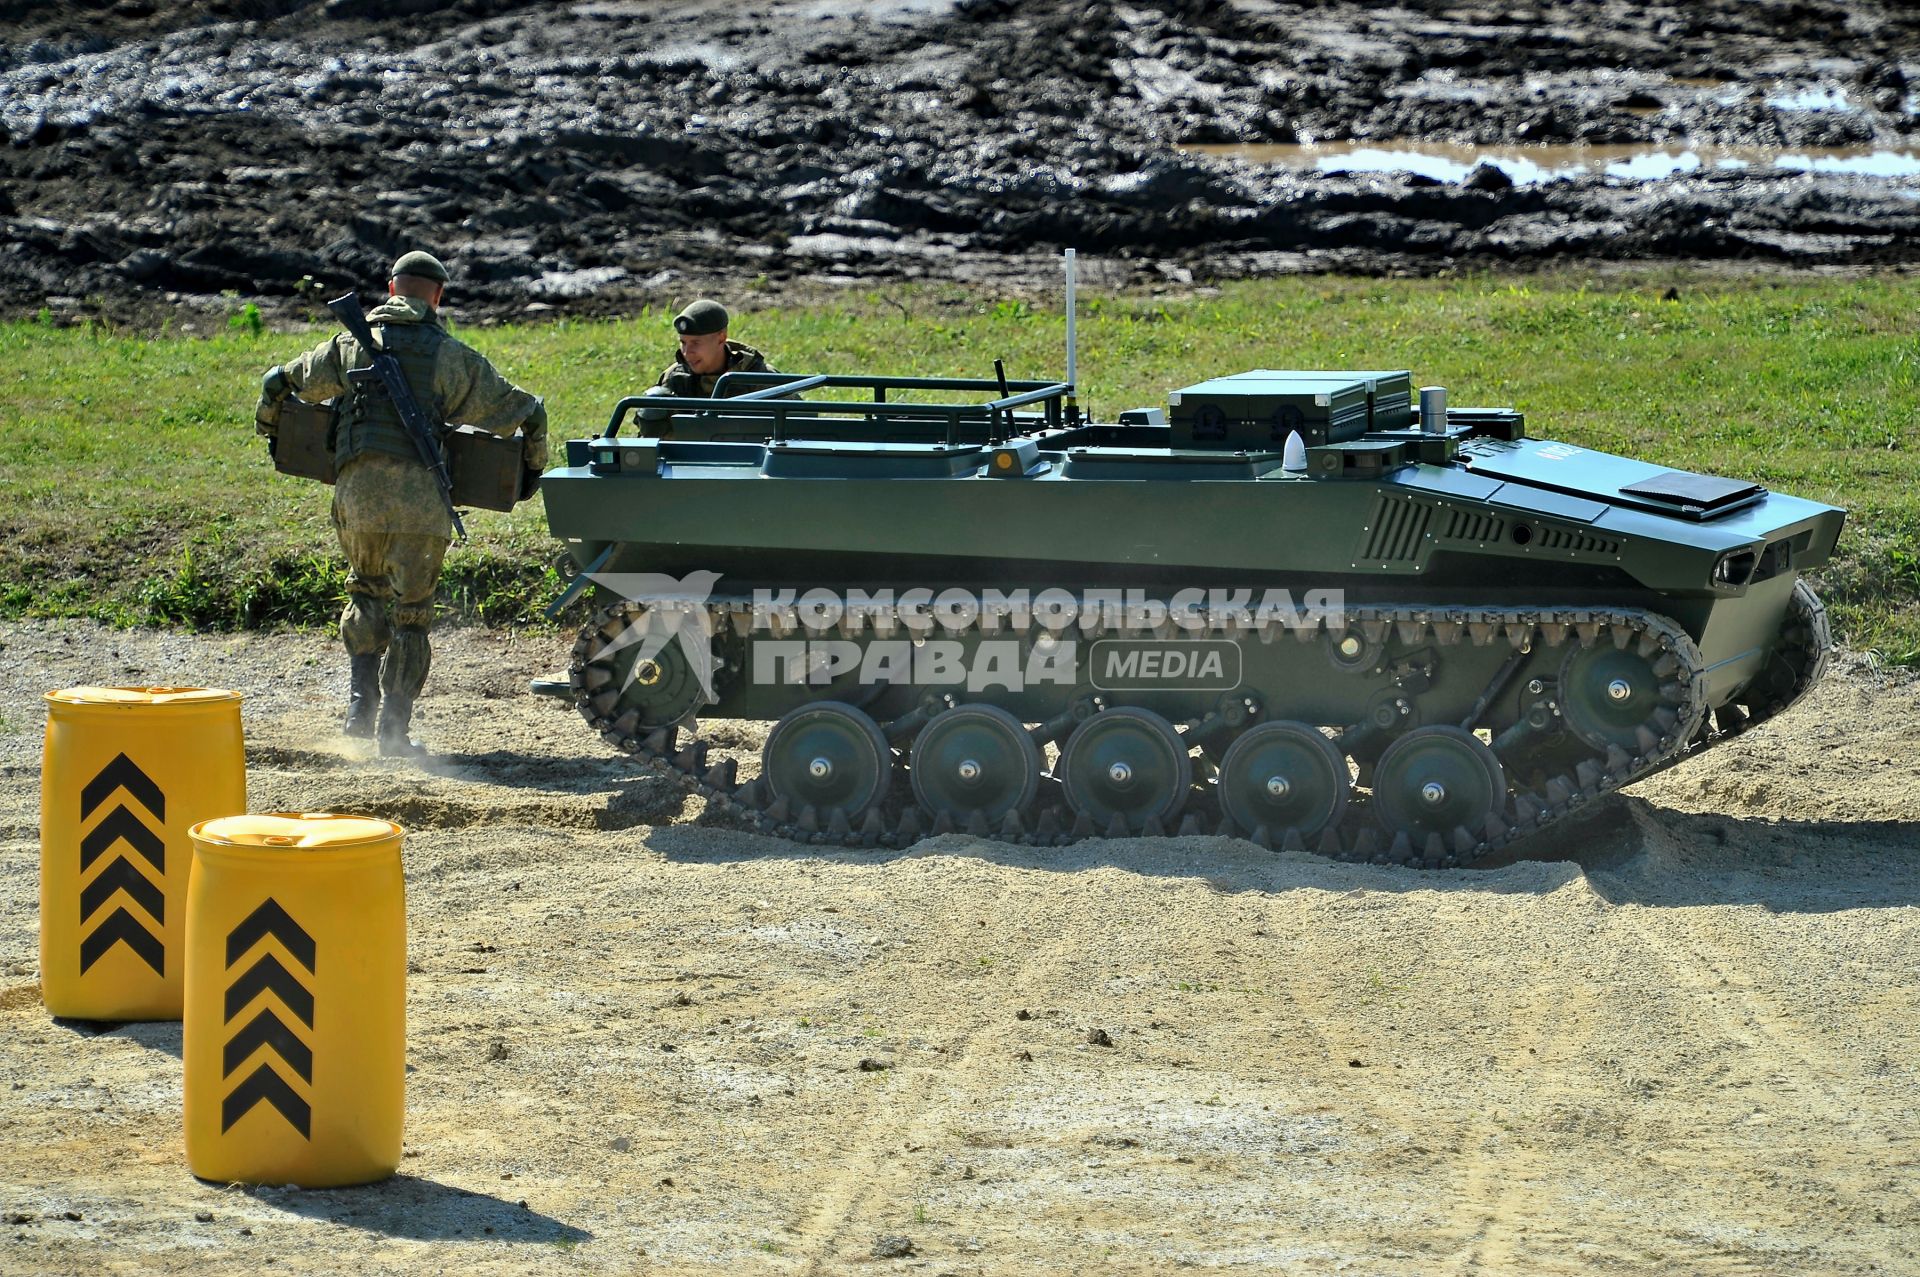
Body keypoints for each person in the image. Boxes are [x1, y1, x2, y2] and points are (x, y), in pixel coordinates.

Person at [253, 250, 547, 757]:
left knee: (365, 593)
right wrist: (531, 474)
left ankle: (356, 717)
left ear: (391, 290)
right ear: (437, 296)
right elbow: (527, 412)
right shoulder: (451, 356)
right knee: (411, 614)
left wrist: (269, 430)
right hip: (422, 504)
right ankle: (394, 731)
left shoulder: (347, 345)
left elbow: (277, 383)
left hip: (357, 497)